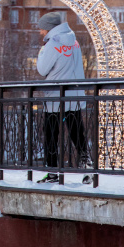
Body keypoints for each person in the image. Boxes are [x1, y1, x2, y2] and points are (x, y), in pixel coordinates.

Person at [35, 11, 90, 184]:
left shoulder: (52, 44)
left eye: (42, 29)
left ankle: (52, 173)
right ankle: (88, 168)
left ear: (49, 28)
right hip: (74, 95)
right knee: (77, 133)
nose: (40, 32)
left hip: (55, 98)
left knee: (51, 134)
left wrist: (41, 52)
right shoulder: (74, 42)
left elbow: (42, 70)